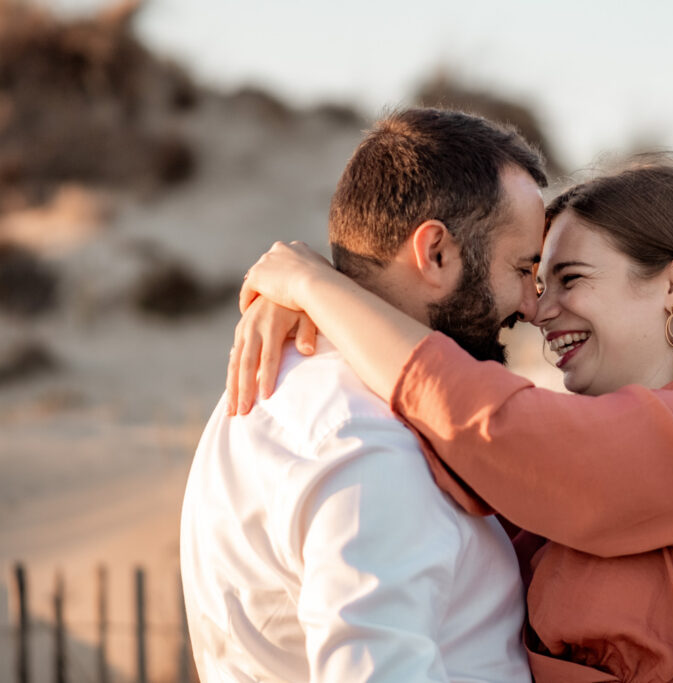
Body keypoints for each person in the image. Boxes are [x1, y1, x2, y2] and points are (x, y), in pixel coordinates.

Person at [230, 158, 673, 682]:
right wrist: (310, 316)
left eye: (569, 279)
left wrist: (319, 290)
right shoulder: (570, 464)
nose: (538, 309)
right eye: (534, 279)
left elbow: (488, 423)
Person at [180, 107, 548, 682]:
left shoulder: (285, 389)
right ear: (436, 253)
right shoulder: (370, 440)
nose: (531, 305)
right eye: (523, 269)